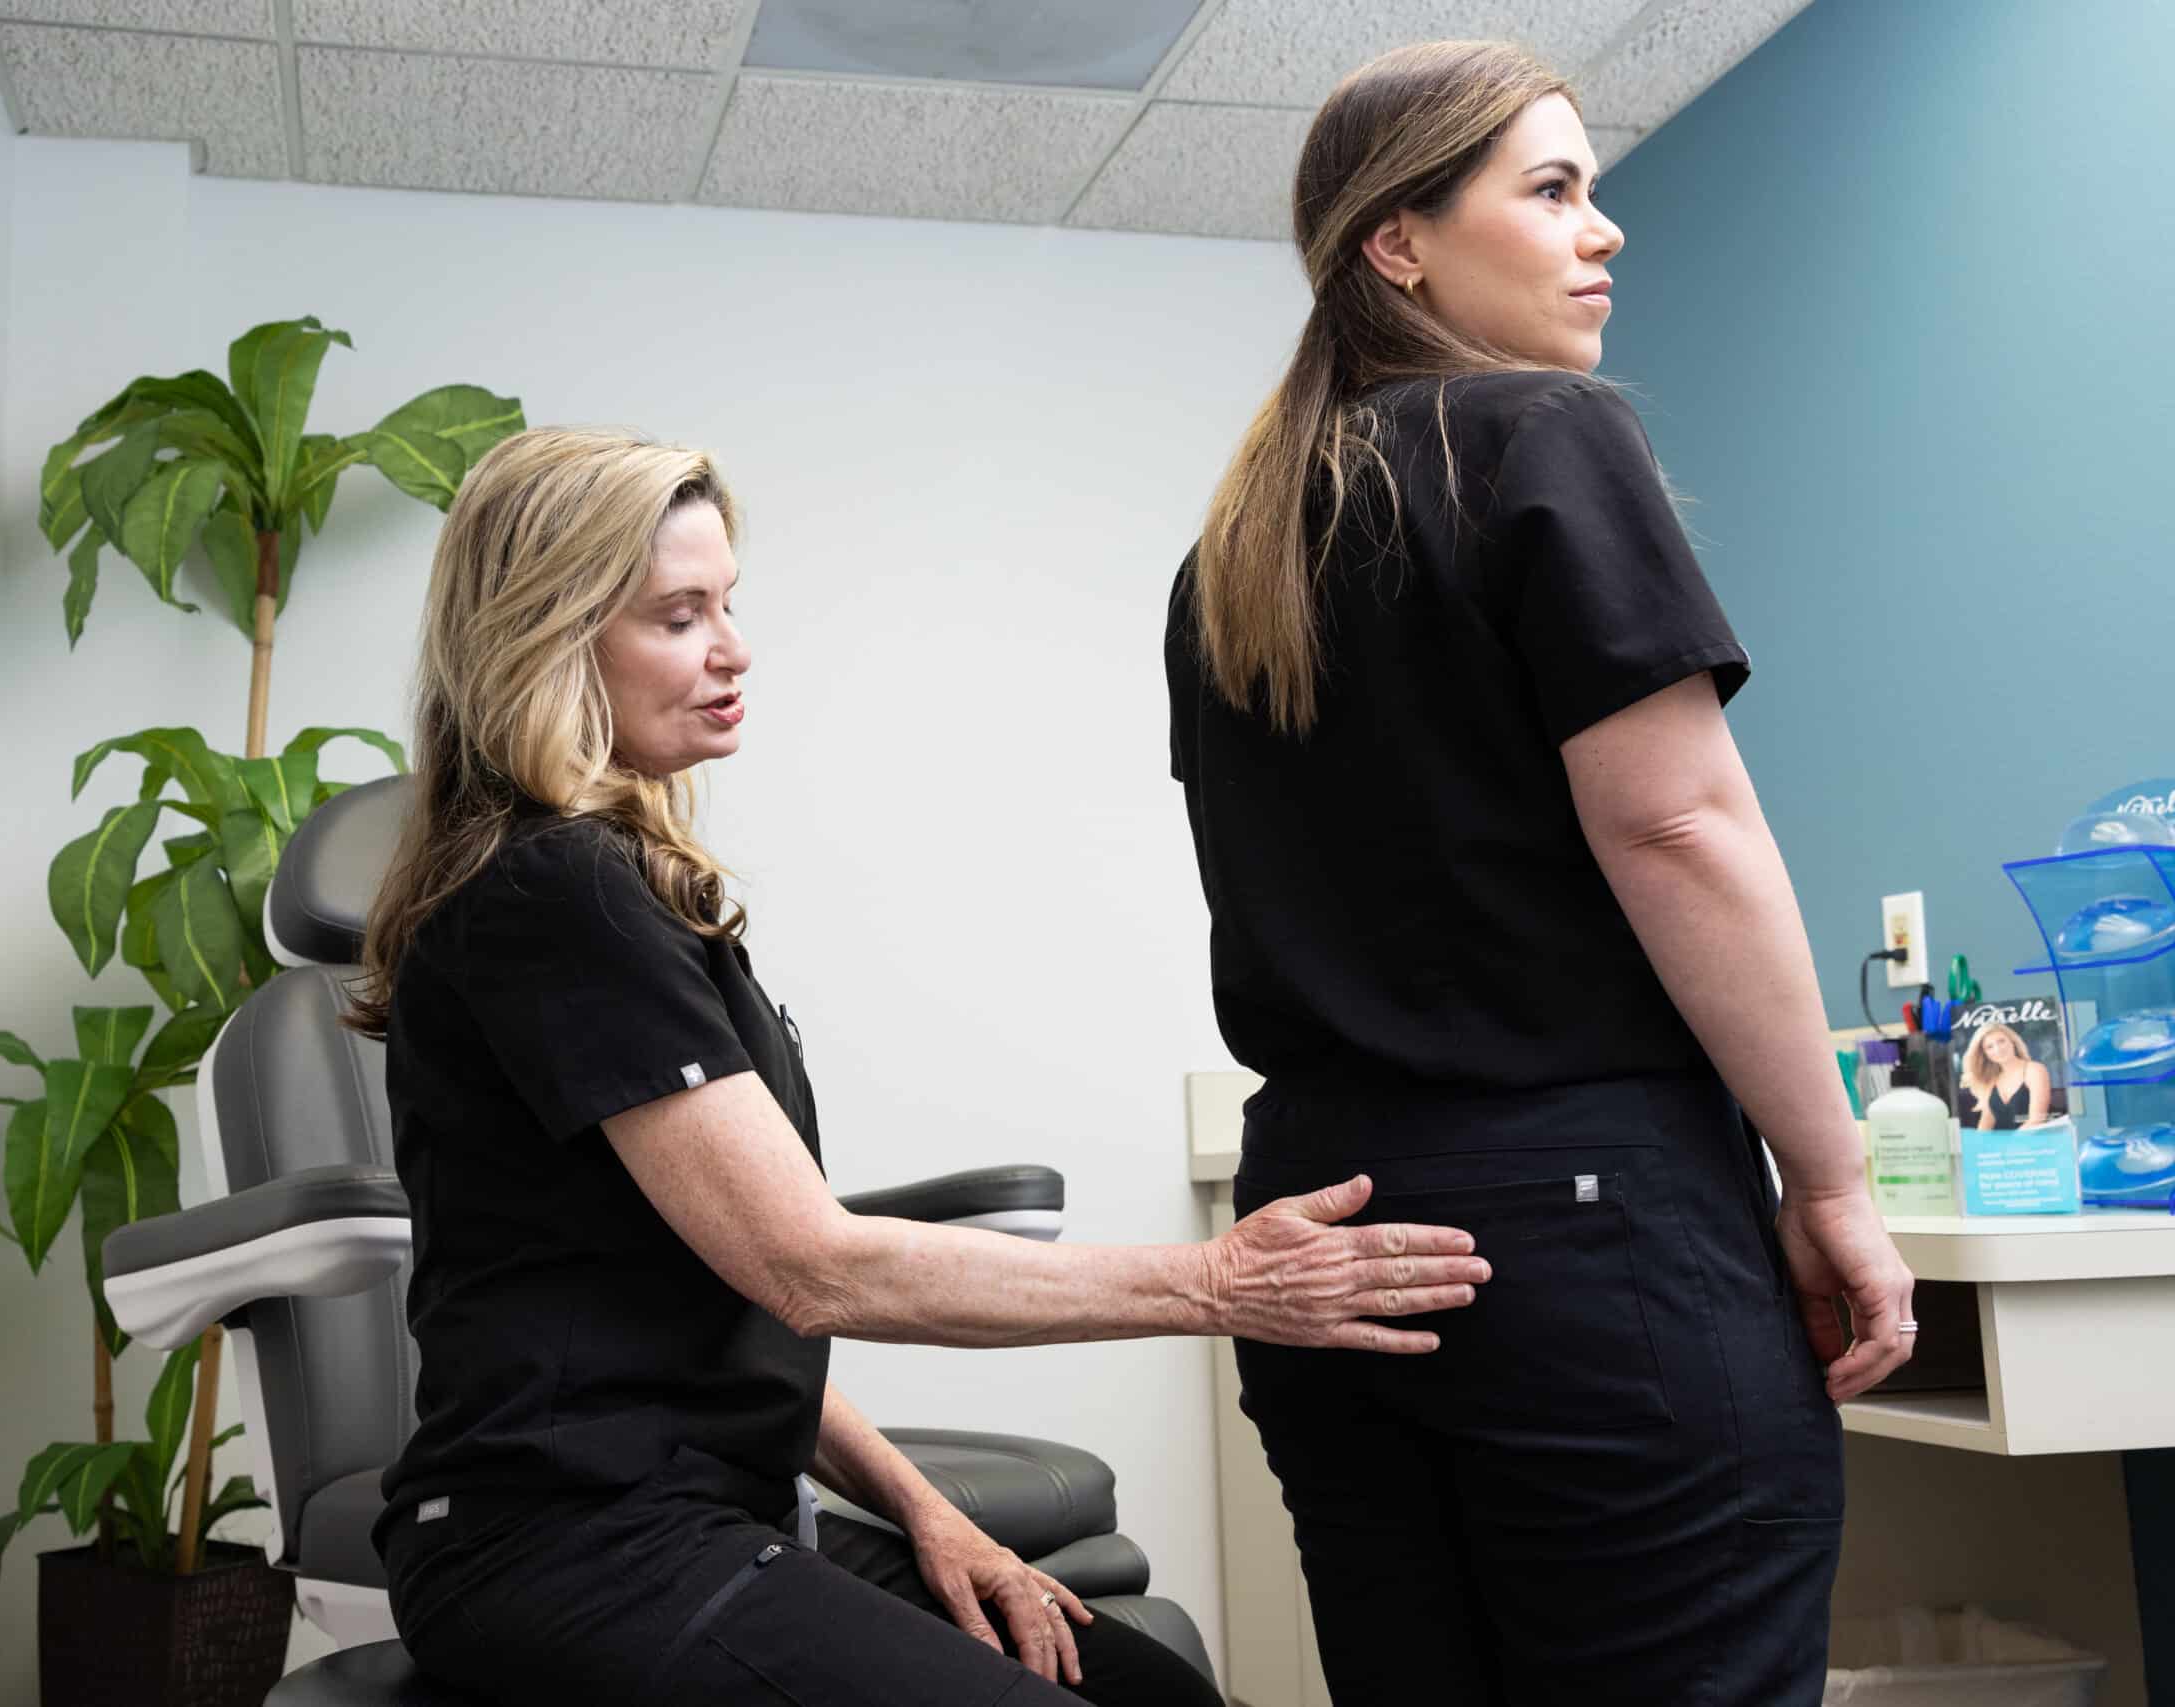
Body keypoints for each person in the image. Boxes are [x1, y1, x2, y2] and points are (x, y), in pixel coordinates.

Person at [345, 426, 1489, 1706]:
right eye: (678, 616)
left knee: (1147, 1688)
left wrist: (928, 1511)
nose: (732, 648)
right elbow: (810, 1266)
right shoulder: (553, 895)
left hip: (707, 1513)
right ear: (545, 640)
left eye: (727, 604)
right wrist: (1219, 1283)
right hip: (565, 1546)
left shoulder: (621, 893)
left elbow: (731, 1299)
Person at [1165, 40, 1919, 1707]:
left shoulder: (1237, 546)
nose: (1608, 233)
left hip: (1328, 1218)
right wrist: (1837, 1185)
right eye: (1555, 190)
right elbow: (1679, 829)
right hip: (1581, 1226)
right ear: (1400, 242)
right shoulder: (1542, 436)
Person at [1962, 1023, 2052, 1130]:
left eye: (2001, 1041)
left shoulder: (2034, 1070)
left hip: (2033, 1143)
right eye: (1989, 1047)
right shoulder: (1992, 1080)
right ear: (1985, 1054)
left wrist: (2008, 1144)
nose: (1998, 1049)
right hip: (2001, 1144)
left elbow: (2037, 1120)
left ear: (2012, 1041)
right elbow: (1985, 1125)